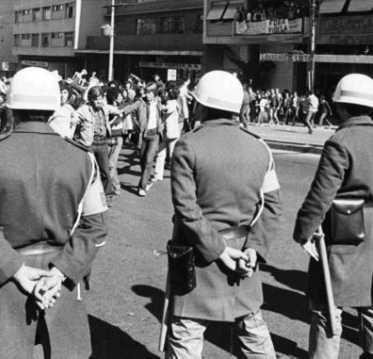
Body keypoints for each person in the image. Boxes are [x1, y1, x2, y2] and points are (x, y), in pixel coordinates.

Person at [0, 67, 108, 359]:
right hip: (62, 276)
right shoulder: (82, 157)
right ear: (55, 106)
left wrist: (17, 270)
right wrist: (61, 271)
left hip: (6, 275)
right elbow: (95, 226)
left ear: (11, 108)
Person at [165, 70, 282, 358]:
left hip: (197, 253)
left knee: (186, 333)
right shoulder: (260, 147)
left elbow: (186, 209)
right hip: (244, 253)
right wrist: (255, 248)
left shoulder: (188, 145)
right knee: (252, 330)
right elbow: (272, 206)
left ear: (201, 105)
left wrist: (218, 250)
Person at [293, 73, 373, 358]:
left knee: (328, 304)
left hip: (343, 230)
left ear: (340, 107)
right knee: (371, 302)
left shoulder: (341, 141)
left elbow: (321, 195)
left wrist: (303, 231)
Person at [122, 84, 163, 197]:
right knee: (142, 161)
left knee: (149, 161)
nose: (147, 95)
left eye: (149, 93)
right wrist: (120, 112)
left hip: (155, 135)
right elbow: (130, 108)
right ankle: (146, 179)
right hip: (143, 135)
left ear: (154, 93)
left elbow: (162, 113)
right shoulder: (140, 102)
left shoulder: (158, 102)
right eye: (146, 92)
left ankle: (142, 186)